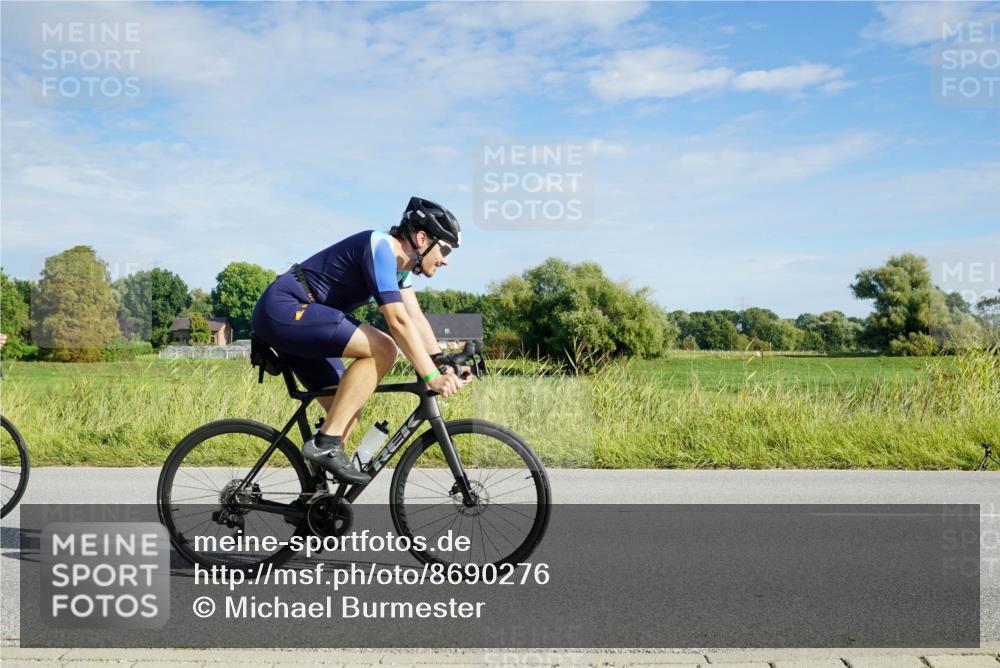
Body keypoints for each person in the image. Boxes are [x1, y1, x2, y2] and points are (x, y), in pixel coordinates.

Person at [251, 197, 471, 484]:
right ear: (421, 238)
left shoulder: (399, 270)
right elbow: (398, 322)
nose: (445, 260)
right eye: (444, 250)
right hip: (285, 308)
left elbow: (415, 318)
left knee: (346, 410)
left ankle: (313, 502)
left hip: (305, 320)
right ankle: (323, 445)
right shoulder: (380, 247)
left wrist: (441, 363)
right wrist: (430, 376)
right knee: (383, 348)